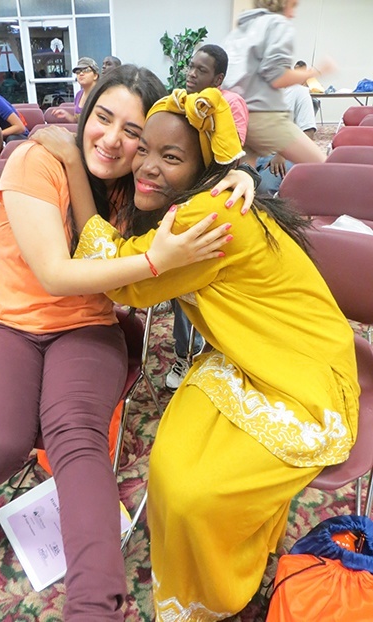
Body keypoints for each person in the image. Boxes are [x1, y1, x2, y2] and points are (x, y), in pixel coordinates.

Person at [0, 65, 255, 622]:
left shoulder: (135, 184)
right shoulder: (37, 159)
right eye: (103, 117)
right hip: (12, 323)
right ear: (86, 108)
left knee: (75, 436)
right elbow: (54, 272)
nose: (113, 139)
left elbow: (194, 172)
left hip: (88, 328)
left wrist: (242, 172)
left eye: (132, 131)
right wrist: (153, 262)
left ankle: (96, 607)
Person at [71, 87, 359, 620]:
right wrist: (241, 167)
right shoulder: (206, 197)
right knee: (171, 465)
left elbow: (119, 278)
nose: (147, 167)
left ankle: (219, 593)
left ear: (204, 166)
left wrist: (70, 164)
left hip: (301, 369)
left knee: (189, 492)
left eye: (171, 157)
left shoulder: (207, 215)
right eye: (145, 148)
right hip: (248, 352)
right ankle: (233, 556)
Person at [166, 43, 252, 390]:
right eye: (190, 67)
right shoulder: (179, 103)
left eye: (201, 71)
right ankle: (183, 354)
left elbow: (227, 159)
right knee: (179, 286)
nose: (191, 74)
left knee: (212, 286)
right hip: (182, 200)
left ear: (218, 78)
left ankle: (215, 352)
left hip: (214, 203)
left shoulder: (229, 105)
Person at [222, 0, 335, 165]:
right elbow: (277, 78)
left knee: (243, 178)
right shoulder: (277, 23)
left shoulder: (240, 29)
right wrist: (318, 71)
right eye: (293, 5)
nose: (293, 13)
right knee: (324, 168)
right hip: (262, 117)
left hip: (234, 114)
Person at [256, 81, 317, 195]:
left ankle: (271, 212)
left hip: (285, 155)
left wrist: (283, 154)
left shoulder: (299, 92)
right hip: (256, 153)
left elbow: (308, 133)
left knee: (263, 188)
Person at [52, 57, 100, 123]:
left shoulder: (102, 95)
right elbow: (78, 122)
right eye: (78, 72)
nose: (81, 74)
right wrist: (66, 115)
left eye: (86, 70)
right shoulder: (79, 94)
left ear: (95, 76)